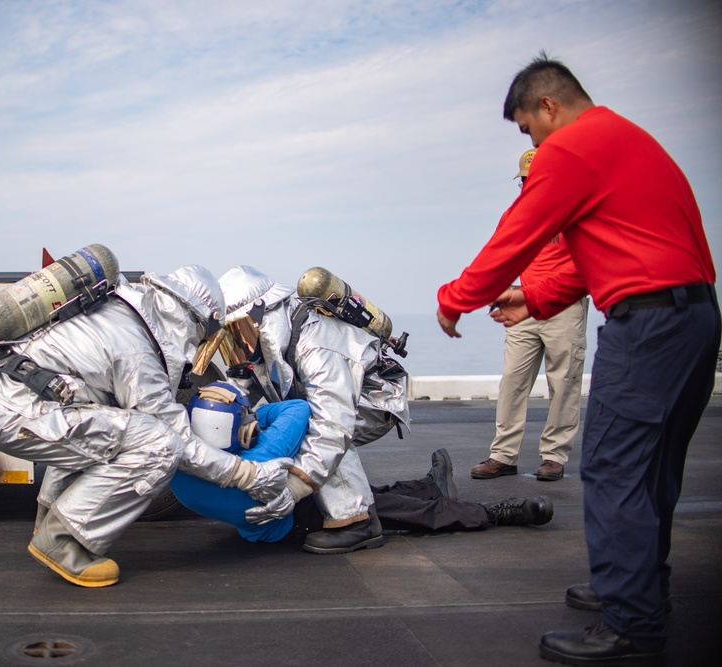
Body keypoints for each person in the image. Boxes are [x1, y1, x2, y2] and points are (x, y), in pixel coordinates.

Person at [436, 54, 719, 664]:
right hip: (692, 315)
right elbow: (616, 252)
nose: (530, 146)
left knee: (615, 470)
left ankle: (631, 627)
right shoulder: (628, 140)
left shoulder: (571, 148)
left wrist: (457, 298)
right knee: (653, 472)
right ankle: (639, 589)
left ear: (547, 106)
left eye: (525, 129)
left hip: (647, 329)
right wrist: (533, 296)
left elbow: (520, 231)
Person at [0, 265, 293, 588]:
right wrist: (250, 475)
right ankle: (63, 539)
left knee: (105, 424)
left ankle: (48, 522)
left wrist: (47, 506)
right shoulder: (137, 350)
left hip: (1, 397)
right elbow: (179, 443)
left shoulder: (123, 310)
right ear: (194, 319)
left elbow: (85, 426)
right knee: (159, 443)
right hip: (16, 412)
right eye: (205, 332)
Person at [170, 382, 554, 543]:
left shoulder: (177, 473)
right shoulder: (261, 457)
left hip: (265, 524)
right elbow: (297, 409)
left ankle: (430, 486)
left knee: (372, 494)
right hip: (299, 520)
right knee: (393, 512)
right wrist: (258, 419)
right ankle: (493, 513)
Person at [212, 264, 410, 554]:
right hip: (339, 399)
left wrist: (294, 489)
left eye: (237, 331)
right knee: (294, 425)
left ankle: (356, 521)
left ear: (259, 316)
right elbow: (244, 388)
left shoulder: (316, 344)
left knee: (312, 428)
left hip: (375, 400)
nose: (236, 342)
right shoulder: (270, 338)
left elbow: (333, 424)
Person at [471, 149, 588, 482]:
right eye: (524, 180)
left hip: (564, 305)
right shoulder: (514, 215)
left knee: (564, 382)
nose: (527, 186)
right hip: (525, 307)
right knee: (512, 380)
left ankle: (554, 456)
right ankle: (503, 456)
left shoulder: (575, 212)